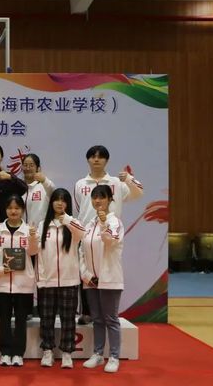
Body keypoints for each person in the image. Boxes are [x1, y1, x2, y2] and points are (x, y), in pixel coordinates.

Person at [74, 145, 142, 324]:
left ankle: (107, 314)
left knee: (107, 271)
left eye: (100, 157)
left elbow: (138, 193)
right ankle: (87, 312)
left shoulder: (116, 183)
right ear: (87, 160)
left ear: (107, 160)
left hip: (108, 234)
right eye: (92, 157)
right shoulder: (80, 184)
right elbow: (80, 209)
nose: (96, 160)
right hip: (88, 234)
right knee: (86, 273)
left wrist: (129, 179)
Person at [35, 188, 86, 369]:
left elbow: (83, 233)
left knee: (68, 318)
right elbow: (37, 252)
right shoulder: (43, 225)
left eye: (63, 200)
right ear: (51, 203)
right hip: (47, 279)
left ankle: (66, 353)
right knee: (46, 318)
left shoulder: (73, 223)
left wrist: (67, 220)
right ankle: (48, 351)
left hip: (69, 279)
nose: (59, 203)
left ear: (68, 204)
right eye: (56, 199)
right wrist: (41, 277)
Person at [80, 185, 125, 373]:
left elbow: (110, 241)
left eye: (102, 197)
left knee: (111, 319)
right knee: (97, 319)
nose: (97, 201)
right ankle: (98, 354)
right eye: (94, 197)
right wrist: (86, 274)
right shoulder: (90, 224)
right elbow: (82, 251)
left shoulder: (115, 222)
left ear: (110, 200)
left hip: (109, 279)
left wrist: (105, 223)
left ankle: (114, 356)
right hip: (91, 280)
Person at [0, 195, 38, 366]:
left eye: (17, 208)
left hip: (23, 283)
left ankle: (18, 353)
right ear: (5, 210)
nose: (13, 211)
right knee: (4, 319)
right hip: (3, 283)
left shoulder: (29, 230)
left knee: (20, 320)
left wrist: (32, 237)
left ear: (23, 210)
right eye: (10, 208)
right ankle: (5, 352)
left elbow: (33, 252)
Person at [21, 154, 55, 227]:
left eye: (31, 165)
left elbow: (53, 190)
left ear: (38, 168)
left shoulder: (44, 186)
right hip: (22, 232)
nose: (28, 168)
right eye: (25, 165)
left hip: (40, 231)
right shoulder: (18, 187)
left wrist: (44, 180)